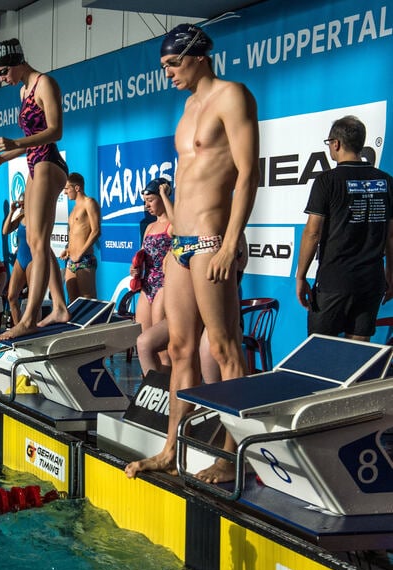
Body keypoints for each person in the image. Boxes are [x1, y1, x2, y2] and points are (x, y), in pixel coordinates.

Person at [125, 24, 259, 483]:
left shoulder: (232, 96)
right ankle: (170, 448)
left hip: (209, 242)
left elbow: (247, 176)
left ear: (199, 55)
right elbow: (186, 180)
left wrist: (228, 241)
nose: (168, 74)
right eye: (164, 66)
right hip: (179, 246)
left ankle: (230, 453)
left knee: (224, 349)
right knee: (180, 350)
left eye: (172, 64)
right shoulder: (187, 107)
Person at [0, 39, 69, 339]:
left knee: (39, 242)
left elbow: (55, 131)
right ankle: (59, 306)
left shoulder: (45, 84)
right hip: (33, 162)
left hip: (48, 163)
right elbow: (29, 138)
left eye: (3, 71)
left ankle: (30, 318)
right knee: (33, 239)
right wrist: (1, 160)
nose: (2, 78)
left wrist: (16, 143)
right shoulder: (22, 91)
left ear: (17, 62)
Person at [296, 115, 393, 341]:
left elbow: (312, 233)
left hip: (334, 280)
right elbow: (391, 235)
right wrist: (391, 274)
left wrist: (300, 277)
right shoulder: (387, 181)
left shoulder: (327, 181)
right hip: (371, 281)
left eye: (329, 142)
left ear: (336, 143)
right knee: (357, 352)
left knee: (318, 351)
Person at [133, 178, 173, 374]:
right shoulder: (149, 227)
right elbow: (142, 255)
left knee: (162, 348)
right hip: (147, 285)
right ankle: (149, 389)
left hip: (165, 285)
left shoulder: (173, 225)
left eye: (150, 200)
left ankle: (166, 391)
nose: (147, 205)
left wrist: (166, 196)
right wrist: (135, 269)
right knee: (143, 343)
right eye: (145, 201)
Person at [60, 172, 101, 301]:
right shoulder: (73, 209)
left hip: (85, 259)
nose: (65, 193)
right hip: (71, 261)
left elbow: (96, 231)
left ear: (77, 188)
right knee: (73, 301)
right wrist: (68, 249)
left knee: (88, 300)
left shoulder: (89, 203)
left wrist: (80, 253)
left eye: (67, 188)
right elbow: (75, 234)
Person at [2, 197, 31, 327]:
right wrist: (11, 212)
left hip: (33, 260)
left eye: (23, 200)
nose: (21, 203)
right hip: (20, 259)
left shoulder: (37, 215)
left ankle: (33, 327)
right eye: (20, 200)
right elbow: (5, 230)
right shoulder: (21, 216)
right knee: (12, 296)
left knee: (33, 300)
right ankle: (18, 327)